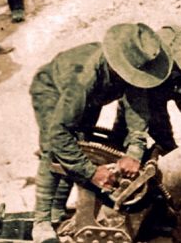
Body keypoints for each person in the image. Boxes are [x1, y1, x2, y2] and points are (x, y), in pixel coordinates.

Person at [29, 23, 172, 243]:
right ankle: (41, 221)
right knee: (55, 150)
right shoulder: (86, 77)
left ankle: (58, 214)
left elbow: (137, 110)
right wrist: (92, 173)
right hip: (53, 90)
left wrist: (134, 151)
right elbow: (58, 135)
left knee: (81, 145)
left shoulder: (133, 68)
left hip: (90, 99)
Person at [114, 26, 181, 154]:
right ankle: (116, 144)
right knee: (132, 117)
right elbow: (150, 108)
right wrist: (170, 149)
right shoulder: (159, 52)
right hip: (159, 81)